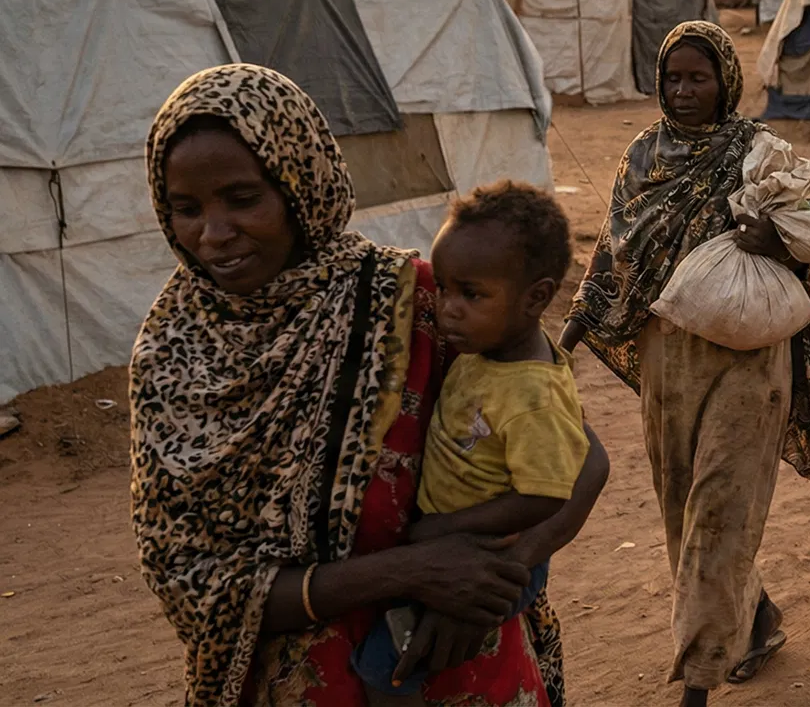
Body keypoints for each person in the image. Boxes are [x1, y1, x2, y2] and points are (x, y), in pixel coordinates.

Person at [131, 63, 607, 707]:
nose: (212, 234)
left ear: (301, 184)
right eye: (185, 209)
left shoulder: (416, 304)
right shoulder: (172, 357)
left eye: (243, 199)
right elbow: (193, 585)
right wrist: (411, 568)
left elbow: (583, 461)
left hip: (457, 662)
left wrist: (497, 581)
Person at [561, 21, 810, 706]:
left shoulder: (759, 154)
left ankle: (699, 678)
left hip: (751, 357)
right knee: (686, 510)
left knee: (723, 502)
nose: (684, 92)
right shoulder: (642, 153)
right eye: (673, 78)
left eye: (699, 77)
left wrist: (772, 238)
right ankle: (758, 616)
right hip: (670, 354)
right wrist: (563, 339)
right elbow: (612, 252)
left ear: (726, 82)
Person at [353, 183, 588, 700]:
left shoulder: (531, 393)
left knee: (386, 664)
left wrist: (448, 528)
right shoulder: (487, 351)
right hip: (465, 543)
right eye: (442, 289)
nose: (447, 309)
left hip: (494, 555)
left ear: (537, 298)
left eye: (471, 294)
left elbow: (547, 494)